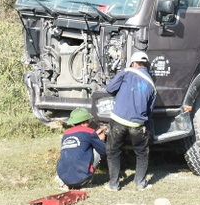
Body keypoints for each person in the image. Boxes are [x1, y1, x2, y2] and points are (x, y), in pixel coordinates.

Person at [105, 51, 156, 191]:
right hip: (137, 124)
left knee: (113, 151)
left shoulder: (126, 72)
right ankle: (140, 183)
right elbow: (149, 111)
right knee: (142, 153)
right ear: (146, 65)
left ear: (133, 63)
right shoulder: (151, 85)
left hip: (118, 120)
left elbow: (109, 89)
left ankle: (113, 185)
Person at [56, 107, 107, 189]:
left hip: (63, 178)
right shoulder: (89, 132)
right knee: (96, 149)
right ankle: (86, 182)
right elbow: (104, 151)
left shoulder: (66, 134)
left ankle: (65, 184)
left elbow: (82, 139)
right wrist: (101, 140)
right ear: (85, 122)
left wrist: (94, 135)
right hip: (82, 179)